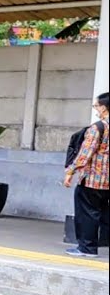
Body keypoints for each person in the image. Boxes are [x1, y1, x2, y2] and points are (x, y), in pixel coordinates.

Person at [64, 92, 109, 257]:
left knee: (87, 213)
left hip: (92, 180)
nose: (95, 109)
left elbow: (84, 154)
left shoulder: (97, 128)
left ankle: (87, 248)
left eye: (96, 106)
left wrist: (70, 171)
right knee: (103, 213)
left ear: (104, 108)